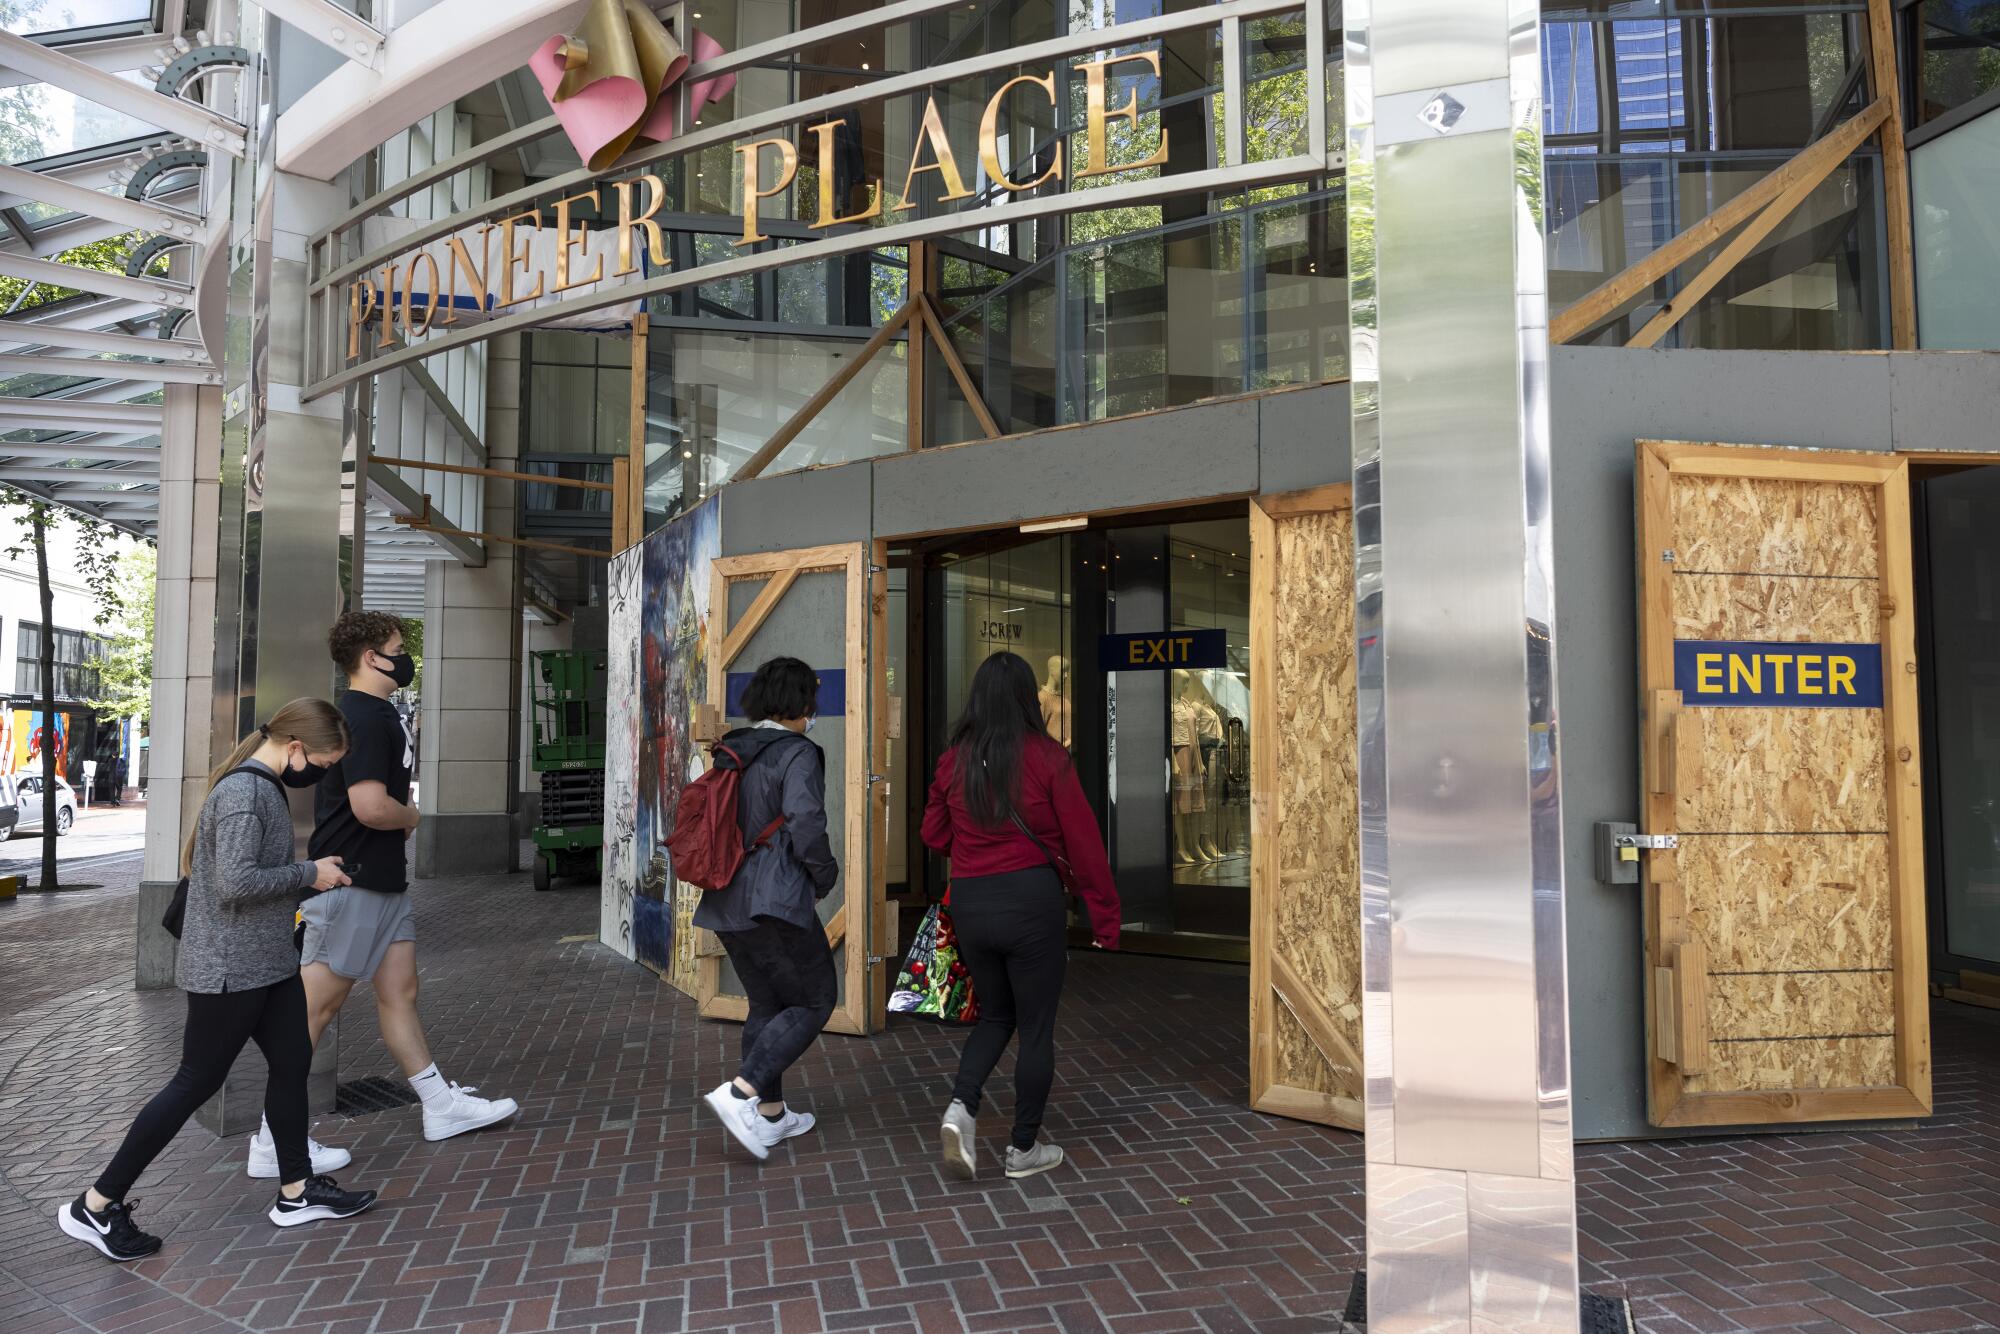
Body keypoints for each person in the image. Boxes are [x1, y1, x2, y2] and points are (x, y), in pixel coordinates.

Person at [58, 699, 378, 1261]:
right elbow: (235, 884)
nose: (324, 773)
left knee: (292, 1062)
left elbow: (249, 881)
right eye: (326, 762)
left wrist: (316, 879)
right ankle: (97, 1203)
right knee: (194, 1083)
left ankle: (297, 1192)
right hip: (230, 971)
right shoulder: (245, 793)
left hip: (267, 963)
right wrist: (311, 872)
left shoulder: (262, 787)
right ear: (297, 748)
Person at [273, 612, 517, 1175]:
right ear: (369, 658)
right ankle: (274, 1137)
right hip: (350, 884)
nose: (405, 657)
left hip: (380, 885)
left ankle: (440, 1105)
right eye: (396, 648)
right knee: (314, 1011)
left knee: (400, 993)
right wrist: (413, 817)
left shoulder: (377, 714)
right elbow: (370, 806)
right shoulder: (360, 716)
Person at [922, 651, 1121, 1181]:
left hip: (970, 900)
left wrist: (974, 838)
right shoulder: (1048, 757)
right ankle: (1023, 1149)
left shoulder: (953, 759)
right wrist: (1105, 919)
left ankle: (961, 1108)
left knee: (995, 1015)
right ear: (1028, 697)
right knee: (1035, 1028)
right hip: (1031, 902)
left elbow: (933, 836)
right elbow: (1084, 846)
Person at [696, 657, 839, 1162]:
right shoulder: (797, 752)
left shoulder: (734, 750)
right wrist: (825, 875)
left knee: (767, 1003)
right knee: (816, 999)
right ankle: (740, 1094)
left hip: (727, 897)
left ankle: (772, 1116)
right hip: (776, 900)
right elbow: (805, 822)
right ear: (802, 703)